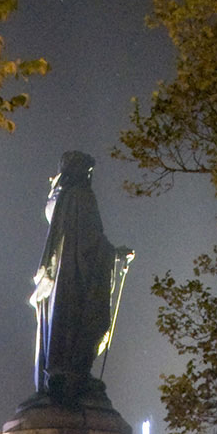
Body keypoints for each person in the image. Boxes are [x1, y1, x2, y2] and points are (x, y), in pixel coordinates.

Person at [30, 151, 133, 403]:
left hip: (60, 281)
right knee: (91, 321)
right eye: (87, 171)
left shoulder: (59, 199)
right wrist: (116, 254)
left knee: (60, 325)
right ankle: (76, 376)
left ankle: (60, 375)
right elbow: (90, 241)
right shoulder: (82, 197)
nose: (89, 176)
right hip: (79, 280)